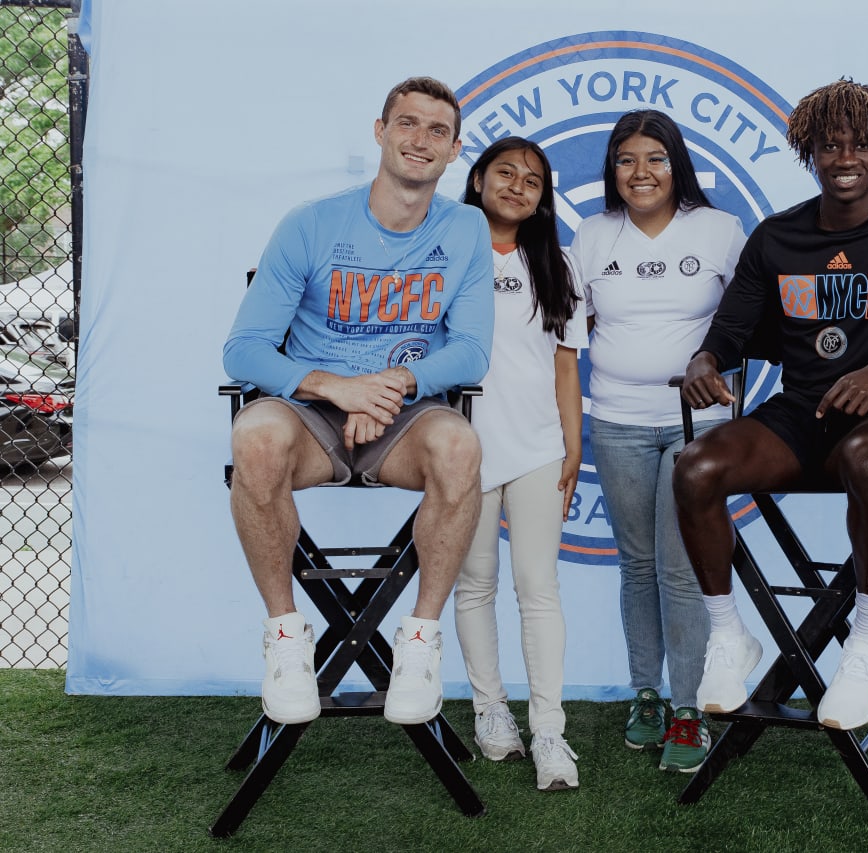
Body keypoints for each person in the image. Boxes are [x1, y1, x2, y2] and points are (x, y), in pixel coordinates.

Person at [673, 80, 868, 731]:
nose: (845, 157)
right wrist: (703, 362)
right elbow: (730, 333)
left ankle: (867, 639)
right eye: (830, 145)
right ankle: (729, 635)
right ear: (810, 152)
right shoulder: (778, 237)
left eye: (860, 143)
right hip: (800, 415)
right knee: (694, 468)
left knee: (866, 460)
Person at [223, 77, 493, 729]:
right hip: (313, 417)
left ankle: (420, 642)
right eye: (407, 123)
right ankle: (287, 639)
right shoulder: (311, 224)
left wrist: (393, 382)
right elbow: (245, 350)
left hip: (401, 420)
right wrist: (338, 386)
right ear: (380, 131)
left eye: (436, 130)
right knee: (254, 434)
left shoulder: (465, 228)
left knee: (461, 444)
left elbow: (472, 353)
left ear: (455, 149)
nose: (419, 140)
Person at [570, 109, 747, 773]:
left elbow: (751, 320)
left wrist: (725, 372)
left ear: (678, 165)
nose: (640, 172)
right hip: (615, 420)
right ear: (612, 170)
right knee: (637, 561)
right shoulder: (591, 235)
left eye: (655, 158)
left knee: (680, 566)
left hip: (696, 427)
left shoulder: (721, 230)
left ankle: (688, 707)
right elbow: (565, 328)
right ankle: (645, 692)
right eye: (626, 160)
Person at [454, 137, 587, 791]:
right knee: (474, 583)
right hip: (461, 447)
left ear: (542, 199)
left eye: (532, 180)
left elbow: (566, 366)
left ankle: (550, 732)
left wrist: (573, 442)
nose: (516, 186)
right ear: (477, 179)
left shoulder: (557, 264)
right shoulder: (442, 251)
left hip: (538, 448)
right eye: (504, 172)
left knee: (538, 588)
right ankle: (490, 711)